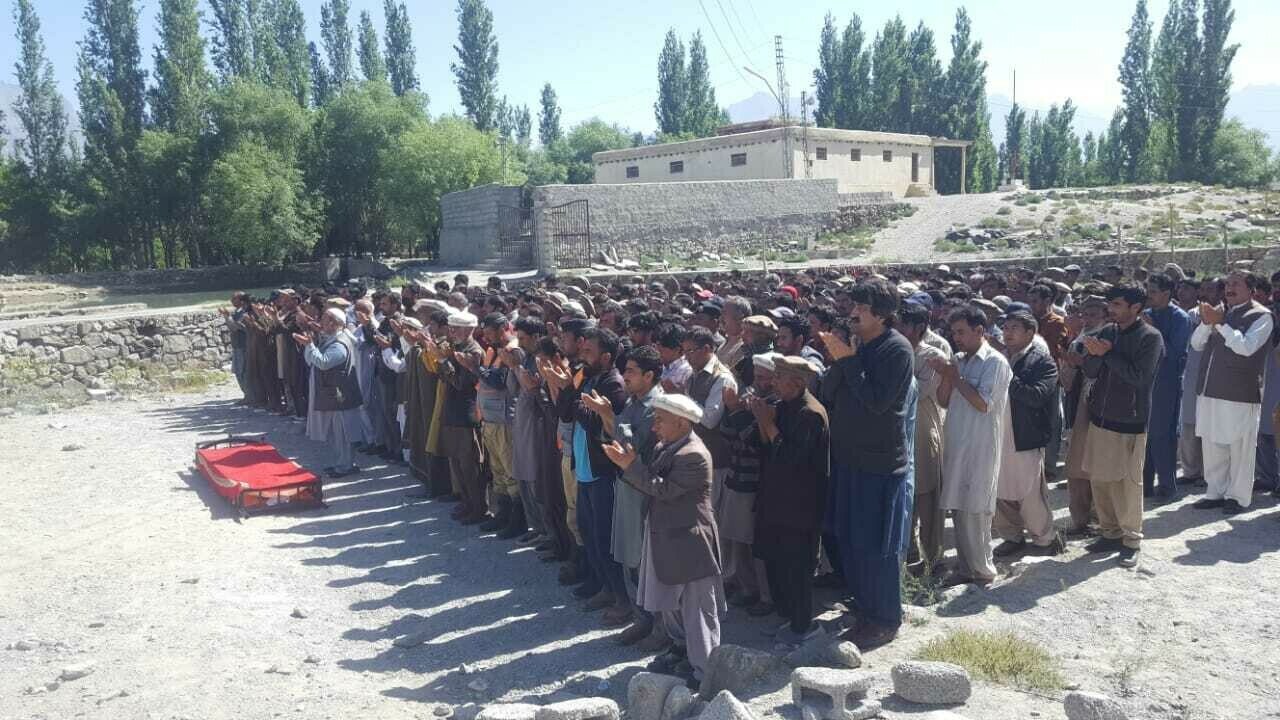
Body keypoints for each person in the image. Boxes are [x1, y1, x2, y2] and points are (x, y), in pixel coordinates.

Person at [604, 393, 724, 688]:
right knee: (670, 605)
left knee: (697, 610)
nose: (655, 426)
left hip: (690, 542)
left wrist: (630, 466)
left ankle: (705, 674)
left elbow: (664, 490)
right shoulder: (668, 445)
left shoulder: (693, 455)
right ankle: (681, 652)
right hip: (666, 538)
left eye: (660, 420)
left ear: (681, 423)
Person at [820, 278, 915, 650]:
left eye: (861, 308)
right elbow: (830, 393)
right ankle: (865, 608)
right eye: (853, 306)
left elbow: (877, 401)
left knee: (877, 544)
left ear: (882, 314)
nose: (853, 313)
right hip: (848, 458)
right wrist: (841, 361)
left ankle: (886, 617)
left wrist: (847, 360)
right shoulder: (860, 346)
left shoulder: (897, 350)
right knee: (852, 540)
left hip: (878, 463)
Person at [548, 327, 630, 619]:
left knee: (605, 538)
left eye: (589, 352)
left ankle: (622, 599)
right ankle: (604, 587)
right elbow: (567, 414)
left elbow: (601, 426)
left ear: (606, 357)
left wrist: (583, 405)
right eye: (582, 351)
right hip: (583, 469)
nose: (583, 356)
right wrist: (569, 388)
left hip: (603, 473)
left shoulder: (613, 384)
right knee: (590, 535)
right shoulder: (588, 377)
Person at [1081, 283, 1164, 567]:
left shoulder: (1150, 338)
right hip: (1101, 418)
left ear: (1135, 307)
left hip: (1130, 419)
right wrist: (1092, 354)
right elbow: (1090, 371)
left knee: (1127, 484)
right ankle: (1110, 532)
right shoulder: (1107, 331)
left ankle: (1131, 540)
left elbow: (1139, 377)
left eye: (1117, 304)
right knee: (1100, 479)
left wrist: (1107, 354)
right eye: (1111, 304)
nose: (1111, 309)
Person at [585, 345, 664, 644]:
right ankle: (642, 618)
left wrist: (607, 416)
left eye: (631, 371)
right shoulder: (634, 402)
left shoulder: (655, 408)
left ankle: (659, 627)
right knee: (631, 559)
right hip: (627, 486)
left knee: (646, 562)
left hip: (644, 489)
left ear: (650, 375)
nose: (625, 376)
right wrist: (607, 418)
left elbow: (634, 448)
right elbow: (619, 439)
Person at [750, 355, 830, 647]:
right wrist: (761, 421)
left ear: (797, 382)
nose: (773, 383)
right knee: (777, 563)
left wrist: (767, 424)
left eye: (779, 378)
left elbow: (793, 458)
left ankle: (803, 627)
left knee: (798, 567)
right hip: (776, 499)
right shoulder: (783, 407)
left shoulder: (810, 413)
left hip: (800, 505)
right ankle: (788, 620)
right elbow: (764, 447)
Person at [935, 304, 1012, 587]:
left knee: (977, 507)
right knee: (958, 505)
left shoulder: (995, 362)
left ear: (980, 331)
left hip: (981, 446)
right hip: (957, 443)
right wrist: (946, 376)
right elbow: (944, 401)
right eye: (953, 332)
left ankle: (983, 569)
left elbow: (983, 404)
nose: (956, 337)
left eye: (961, 332)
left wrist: (955, 377)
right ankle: (967, 568)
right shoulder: (958, 360)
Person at [1190, 271, 1275, 514]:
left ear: (1252, 289)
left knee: (1240, 447)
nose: (1230, 287)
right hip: (1209, 391)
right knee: (1212, 442)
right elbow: (1196, 344)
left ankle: (1238, 498)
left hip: (1239, 393)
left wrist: (1221, 323)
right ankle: (1215, 492)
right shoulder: (1220, 311)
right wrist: (1209, 323)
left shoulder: (1262, 316)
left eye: (1236, 284)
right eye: (1227, 283)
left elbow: (1246, 348)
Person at [992, 311, 1065, 558]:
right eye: (1005, 327)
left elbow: (1036, 397)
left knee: (1029, 490)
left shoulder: (1042, 361)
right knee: (999, 488)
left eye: (1014, 328)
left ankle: (1044, 538)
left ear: (1030, 333)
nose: (1007, 333)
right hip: (996, 432)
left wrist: (1006, 374)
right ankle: (1012, 536)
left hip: (1025, 435)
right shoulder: (1000, 357)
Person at [897, 301, 950, 573]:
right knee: (906, 497)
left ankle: (934, 557)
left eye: (903, 325)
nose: (897, 329)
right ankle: (908, 554)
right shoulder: (897, 352)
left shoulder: (932, 354)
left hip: (923, 428)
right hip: (901, 431)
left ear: (919, 328)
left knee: (927, 498)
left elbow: (921, 389)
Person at [433, 311, 488, 525]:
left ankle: (478, 507)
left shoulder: (473, 352)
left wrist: (444, 361)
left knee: (470, 465)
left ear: (469, 330)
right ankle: (467, 503)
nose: (451, 331)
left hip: (467, 415)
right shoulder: (457, 349)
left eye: (456, 328)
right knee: (457, 464)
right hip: (453, 412)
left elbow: (462, 384)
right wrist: (443, 360)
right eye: (451, 327)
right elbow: (442, 377)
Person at [297, 308, 365, 478]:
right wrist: (311, 343)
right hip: (334, 394)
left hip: (341, 396)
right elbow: (313, 359)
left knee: (343, 433)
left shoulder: (340, 344)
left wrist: (309, 345)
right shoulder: (332, 339)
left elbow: (323, 362)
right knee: (336, 433)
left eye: (325, 319)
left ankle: (346, 466)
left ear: (334, 323)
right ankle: (340, 464)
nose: (321, 322)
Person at [1142, 274, 1192, 501]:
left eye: (1152, 291)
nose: (1148, 295)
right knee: (1144, 435)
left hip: (1167, 382)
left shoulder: (1179, 317)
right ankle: (1144, 484)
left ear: (1166, 293)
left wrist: (1154, 330)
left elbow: (1175, 353)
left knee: (1163, 435)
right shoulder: (1147, 314)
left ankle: (1167, 486)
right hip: (1145, 382)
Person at [1060, 297, 1107, 534]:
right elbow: (1067, 382)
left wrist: (1081, 364)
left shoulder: (1107, 338)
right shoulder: (1077, 339)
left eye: (1093, 313)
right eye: (1085, 313)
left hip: (1096, 410)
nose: (1088, 318)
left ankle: (1100, 518)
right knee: (1076, 466)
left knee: (1095, 466)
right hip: (1076, 407)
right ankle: (1080, 518)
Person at [476, 313, 523, 536]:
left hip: (505, 421)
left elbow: (498, 381)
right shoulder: (495, 351)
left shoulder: (512, 350)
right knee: (498, 472)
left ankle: (517, 520)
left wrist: (476, 368)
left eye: (489, 332)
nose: (485, 337)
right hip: (491, 419)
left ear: (504, 327)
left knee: (510, 472)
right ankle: (502, 514)